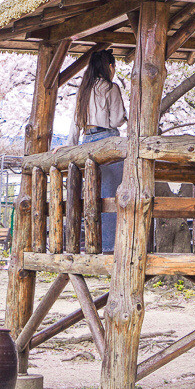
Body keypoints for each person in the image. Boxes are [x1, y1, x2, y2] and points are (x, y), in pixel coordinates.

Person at [70, 49, 126, 252]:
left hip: (86, 143)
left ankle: (94, 244)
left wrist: (70, 147)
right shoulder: (111, 88)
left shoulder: (83, 90)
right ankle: (111, 247)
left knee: (93, 195)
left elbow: (75, 123)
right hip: (108, 141)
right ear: (110, 67)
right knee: (113, 196)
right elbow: (116, 120)